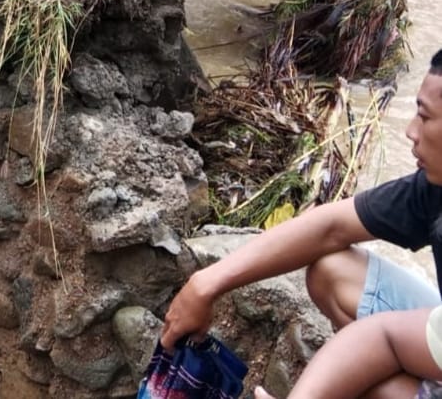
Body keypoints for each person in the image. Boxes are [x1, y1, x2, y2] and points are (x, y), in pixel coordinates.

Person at [161, 48, 442, 398]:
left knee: (377, 385)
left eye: (426, 117)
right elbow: (330, 227)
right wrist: (206, 284)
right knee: (333, 271)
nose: (410, 132)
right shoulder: (434, 186)